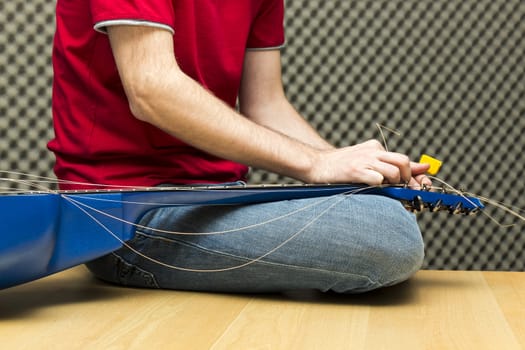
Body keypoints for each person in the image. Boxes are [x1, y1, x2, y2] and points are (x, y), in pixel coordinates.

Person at [48, 0, 431, 293]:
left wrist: (360, 170)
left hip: (224, 199)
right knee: (387, 235)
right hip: (125, 219)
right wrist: (316, 164)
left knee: (379, 209)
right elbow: (151, 89)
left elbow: (266, 104)